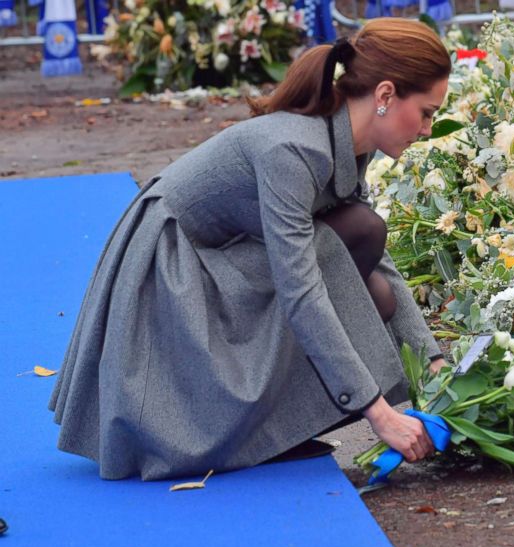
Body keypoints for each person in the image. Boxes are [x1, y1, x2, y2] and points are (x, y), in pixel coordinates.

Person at [48, 18, 452, 480]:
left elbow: (375, 259)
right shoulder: (294, 149)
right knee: (354, 248)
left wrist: (433, 362)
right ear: (384, 96)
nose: (427, 128)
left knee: (373, 282)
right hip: (168, 286)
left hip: (218, 261)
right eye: (425, 111)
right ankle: (247, 429)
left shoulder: (348, 139)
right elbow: (300, 293)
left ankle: (272, 426)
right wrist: (379, 414)